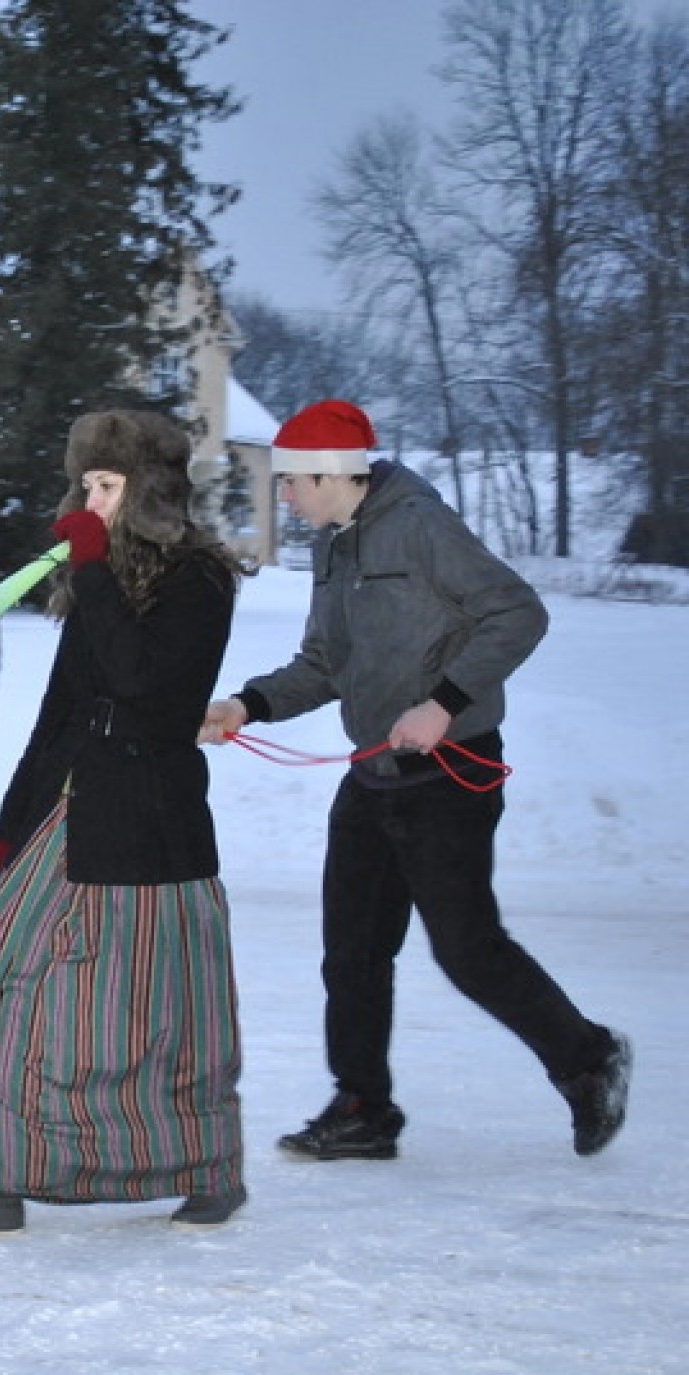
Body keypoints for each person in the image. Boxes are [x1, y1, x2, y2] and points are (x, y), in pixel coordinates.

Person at [200, 399, 632, 1162]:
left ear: (331, 475)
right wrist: (248, 704)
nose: (283, 497)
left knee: (467, 948)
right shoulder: (332, 546)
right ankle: (363, 1105)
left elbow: (517, 612)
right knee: (353, 950)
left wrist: (445, 703)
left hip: (449, 772)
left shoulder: (421, 525)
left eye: (290, 481)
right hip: (373, 773)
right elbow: (324, 664)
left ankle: (588, 1056)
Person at [0, 409, 249, 1239]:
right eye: (86, 482)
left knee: (153, 1023)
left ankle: (206, 1166)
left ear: (151, 489)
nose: (90, 499)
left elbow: (143, 688)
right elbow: (60, 714)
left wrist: (91, 569)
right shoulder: (98, 574)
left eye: (109, 484)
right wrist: (7, 835)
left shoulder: (198, 579)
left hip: (148, 832)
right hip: (63, 814)